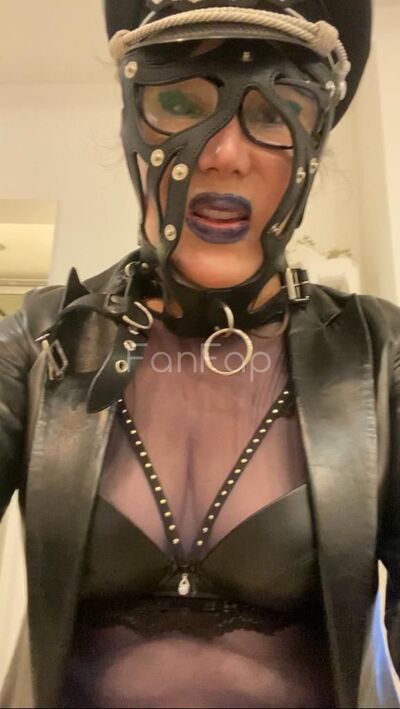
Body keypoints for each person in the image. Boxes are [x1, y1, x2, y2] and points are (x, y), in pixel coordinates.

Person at [0, 0, 399, 707]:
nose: (224, 153)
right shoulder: (41, 340)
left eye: (275, 113)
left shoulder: (381, 356)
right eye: (180, 102)